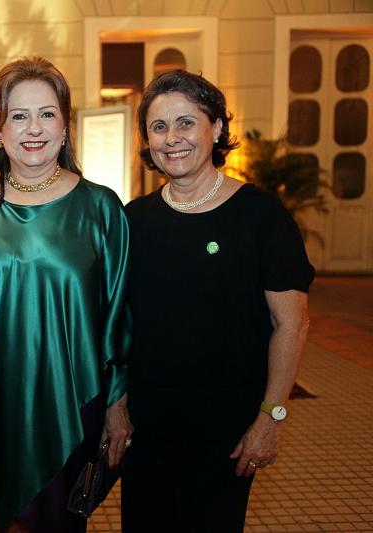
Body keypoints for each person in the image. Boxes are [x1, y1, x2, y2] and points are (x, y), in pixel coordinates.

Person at [121, 69, 314, 533]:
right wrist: (116, 408)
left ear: (217, 127)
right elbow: (119, 326)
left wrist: (271, 419)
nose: (172, 138)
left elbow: (292, 325)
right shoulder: (133, 220)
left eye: (186, 122)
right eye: (159, 126)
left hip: (227, 427)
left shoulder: (261, 216)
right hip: (147, 425)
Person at [0, 56, 132, 533]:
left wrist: (117, 405)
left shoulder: (100, 208)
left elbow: (118, 315)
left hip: (71, 401)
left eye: (47, 114)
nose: (34, 128)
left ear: (65, 126)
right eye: (19, 115)